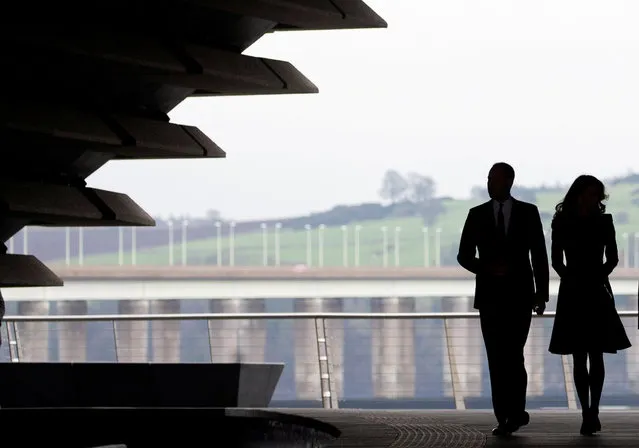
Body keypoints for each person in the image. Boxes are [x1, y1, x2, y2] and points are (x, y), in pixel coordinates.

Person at [457, 162, 549, 436]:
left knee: (513, 355)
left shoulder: (528, 213)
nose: (489, 184)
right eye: (488, 179)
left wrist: (541, 294)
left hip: (521, 296)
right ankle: (505, 416)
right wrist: (487, 268)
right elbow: (464, 256)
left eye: (493, 179)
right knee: (496, 358)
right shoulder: (476, 214)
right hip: (490, 298)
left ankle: (515, 412)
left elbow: (539, 255)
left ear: (508, 181)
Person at [548, 175, 631, 436]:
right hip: (590, 288)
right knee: (585, 354)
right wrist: (594, 276)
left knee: (588, 353)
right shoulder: (593, 221)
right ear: (582, 194)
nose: (595, 199)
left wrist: (574, 277)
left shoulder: (568, 221)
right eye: (592, 194)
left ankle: (590, 410)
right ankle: (589, 410)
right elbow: (611, 259)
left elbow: (558, 262)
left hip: (580, 289)